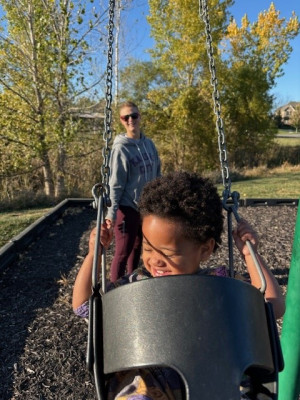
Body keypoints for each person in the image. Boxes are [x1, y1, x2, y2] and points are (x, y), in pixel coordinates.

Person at [72, 171, 285, 400]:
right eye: (148, 249)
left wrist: (249, 254)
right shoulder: (136, 285)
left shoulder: (220, 283)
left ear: (205, 249)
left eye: (168, 253)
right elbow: (84, 306)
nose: (155, 260)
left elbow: (271, 306)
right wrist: (94, 255)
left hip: (216, 378)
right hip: (150, 383)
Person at [105, 101, 161, 282]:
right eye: (126, 117)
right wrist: (111, 213)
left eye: (134, 116)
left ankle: (131, 283)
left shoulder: (149, 144)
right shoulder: (121, 148)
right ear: (121, 121)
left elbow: (157, 173)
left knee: (138, 248)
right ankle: (114, 289)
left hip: (146, 208)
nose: (131, 120)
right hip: (127, 207)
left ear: (140, 116)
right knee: (123, 252)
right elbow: (116, 183)